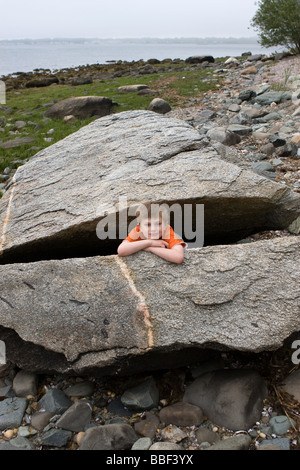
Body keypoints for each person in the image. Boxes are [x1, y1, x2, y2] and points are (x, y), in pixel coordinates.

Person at [117, 202, 186, 264]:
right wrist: (150, 243)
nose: (153, 229)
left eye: (158, 224)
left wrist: (149, 248)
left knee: (178, 239)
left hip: (175, 243)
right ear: (140, 227)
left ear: (165, 225)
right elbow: (121, 250)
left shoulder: (167, 231)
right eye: (148, 225)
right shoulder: (137, 230)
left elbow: (178, 257)